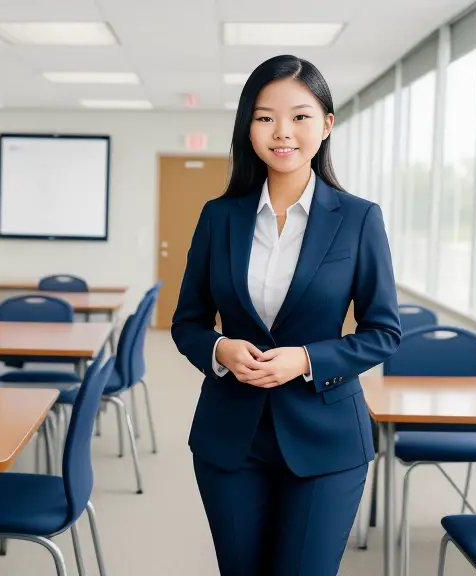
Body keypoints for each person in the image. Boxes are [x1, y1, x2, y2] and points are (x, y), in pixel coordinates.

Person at [171, 54, 402, 576]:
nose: (282, 131)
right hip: (230, 436)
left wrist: (304, 359)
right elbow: (187, 322)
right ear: (248, 128)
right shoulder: (218, 217)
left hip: (327, 437)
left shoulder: (360, 219)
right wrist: (219, 349)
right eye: (264, 116)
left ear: (325, 125)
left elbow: (383, 331)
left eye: (299, 116)